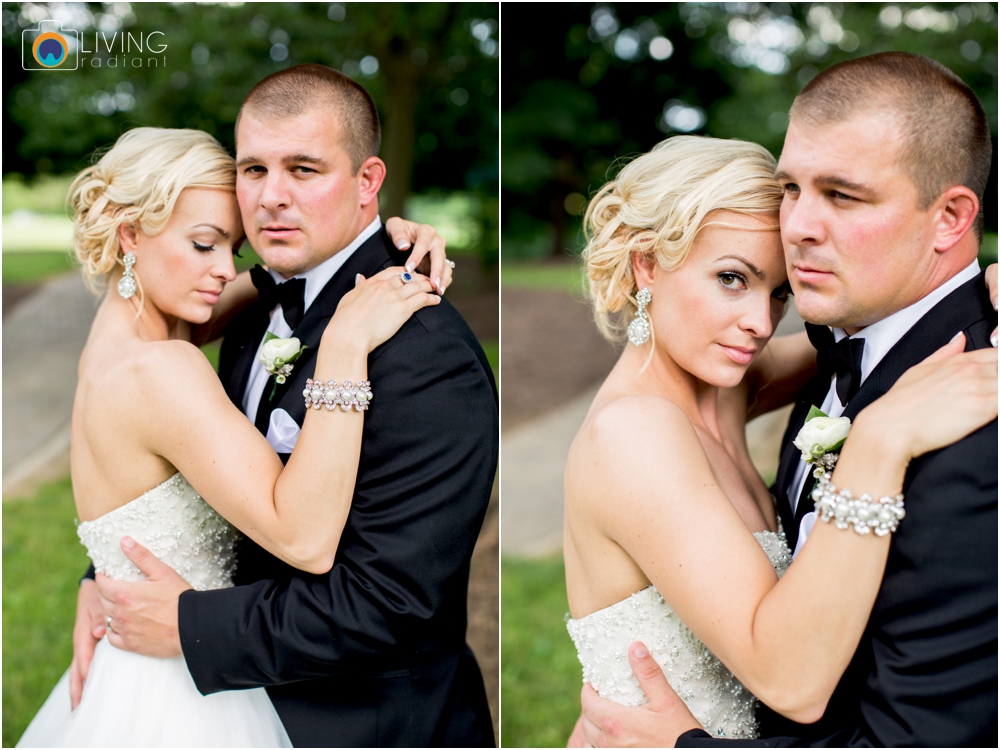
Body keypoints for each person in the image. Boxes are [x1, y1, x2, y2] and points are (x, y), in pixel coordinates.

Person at [26, 66, 498, 747]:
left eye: (304, 169)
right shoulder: (232, 323)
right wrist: (106, 573)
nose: (273, 198)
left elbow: (391, 601)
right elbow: (179, 476)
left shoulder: (425, 352)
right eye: (254, 170)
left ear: (368, 182)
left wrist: (185, 623)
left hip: (369, 726)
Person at [576, 53, 998, 748]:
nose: (799, 224)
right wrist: (878, 440)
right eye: (791, 189)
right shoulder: (650, 426)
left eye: (842, 195)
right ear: (647, 264)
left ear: (950, 216)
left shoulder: (967, 423)